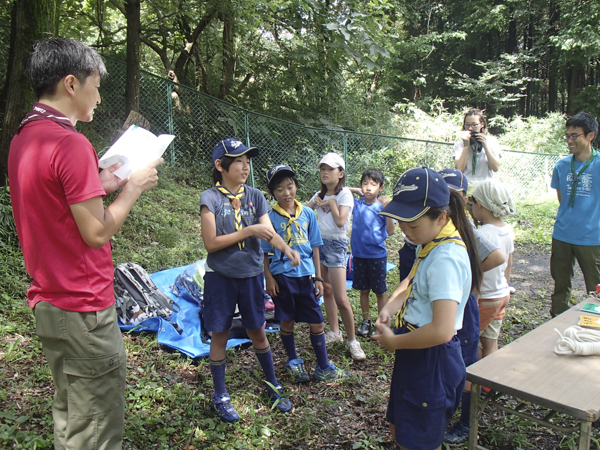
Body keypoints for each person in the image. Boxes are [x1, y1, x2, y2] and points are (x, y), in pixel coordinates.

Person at [8, 37, 163, 449]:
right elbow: (95, 231)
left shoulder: (26, 135)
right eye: (96, 85)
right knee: (94, 428)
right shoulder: (71, 143)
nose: (98, 97)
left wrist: (103, 181)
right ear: (72, 84)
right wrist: (133, 188)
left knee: (73, 417)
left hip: (51, 302)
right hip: (84, 309)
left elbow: (58, 203)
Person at [373, 167, 483, 450]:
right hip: (417, 352)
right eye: (403, 224)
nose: (407, 233)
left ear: (441, 217)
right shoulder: (432, 241)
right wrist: (391, 306)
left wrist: (395, 342)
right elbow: (411, 280)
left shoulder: (446, 258)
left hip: (431, 359)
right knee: (403, 430)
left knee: (421, 441)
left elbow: (443, 330)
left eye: (413, 225)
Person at [200, 139, 301, 423]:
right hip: (220, 278)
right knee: (219, 334)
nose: (245, 166)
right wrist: (248, 231)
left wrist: (286, 249)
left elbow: (267, 232)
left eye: (247, 161)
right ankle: (220, 394)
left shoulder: (256, 196)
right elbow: (211, 243)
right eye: (238, 161)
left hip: (251, 277)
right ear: (220, 166)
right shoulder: (210, 198)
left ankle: (273, 384)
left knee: (257, 330)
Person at [262, 164, 350, 382]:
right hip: (282, 277)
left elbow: (315, 247)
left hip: (307, 277)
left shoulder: (308, 214)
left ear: (296, 187)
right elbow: (264, 253)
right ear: (272, 193)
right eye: (280, 189)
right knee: (287, 321)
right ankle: (293, 361)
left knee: (317, 321)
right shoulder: (269, 218)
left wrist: (319, 278)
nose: (286, 193)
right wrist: (269, 278)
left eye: (290, 187)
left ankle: (323, 366)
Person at [438, 169, 506, 445]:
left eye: (453, 193)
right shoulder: (440, 223)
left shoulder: (465, 227)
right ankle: (449, 412)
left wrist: (468, 275)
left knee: (466, 367)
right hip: (449, 308)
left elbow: (498, 256)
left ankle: (466, 422)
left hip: (466, 308)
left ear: (464, 197)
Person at [306, 153, 366, 360]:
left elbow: (341, 221)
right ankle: (335, 332)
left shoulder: (344, 195)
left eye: (330, 169)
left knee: (341, 296)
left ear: (340, 173)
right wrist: (311, 203)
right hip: (319, 243)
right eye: (322, 169)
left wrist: (329, 204)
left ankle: (353, 341)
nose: (325, 173)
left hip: (337, 244)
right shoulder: (318, 194)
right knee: (327, 290)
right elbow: (303, 211)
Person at [550, 112, 600, 317]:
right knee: (560, 283)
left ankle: (595, 325)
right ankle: (556, 319)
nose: (570, 140)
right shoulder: (562, 165)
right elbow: (561, 198)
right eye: (567, 136)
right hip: (562, 235)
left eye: (575, 136)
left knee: (595, 286)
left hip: (591, 237)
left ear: (590, 136)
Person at [471, 179, 515, 359]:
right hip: (502, 294)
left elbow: (476, 271)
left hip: (485, 298)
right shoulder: (507, 229)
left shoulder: (481, 234)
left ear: (479, 204)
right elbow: (509, 263)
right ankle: (490, 384)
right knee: (490, 342)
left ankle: (470, 383)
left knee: (469, 339)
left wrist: (473, 296)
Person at [349, 169, 395, 337]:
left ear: (381, 188)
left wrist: (388, 209)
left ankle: (381, 323)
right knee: (364, 291)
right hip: (359, 255)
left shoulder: (381, 207)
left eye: (373, 185)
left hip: (377, 256)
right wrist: (356, 190)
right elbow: (342, 190)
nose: (368, 188)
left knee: (380, 291)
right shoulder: (357, 204)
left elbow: (391, 231)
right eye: (365, 183)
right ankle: (366, 320)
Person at [453, 108, 502, 225]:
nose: (470, 128)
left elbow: (495, 167)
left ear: (482, 124)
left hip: (486, 191)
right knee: (468, 226)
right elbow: (459, 169)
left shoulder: (492, 142)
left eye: (474, 125)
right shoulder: (460, 144)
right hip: (468, 192)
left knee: (488, 225)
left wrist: (485, 146)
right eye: (467, 125)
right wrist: (466, 146)